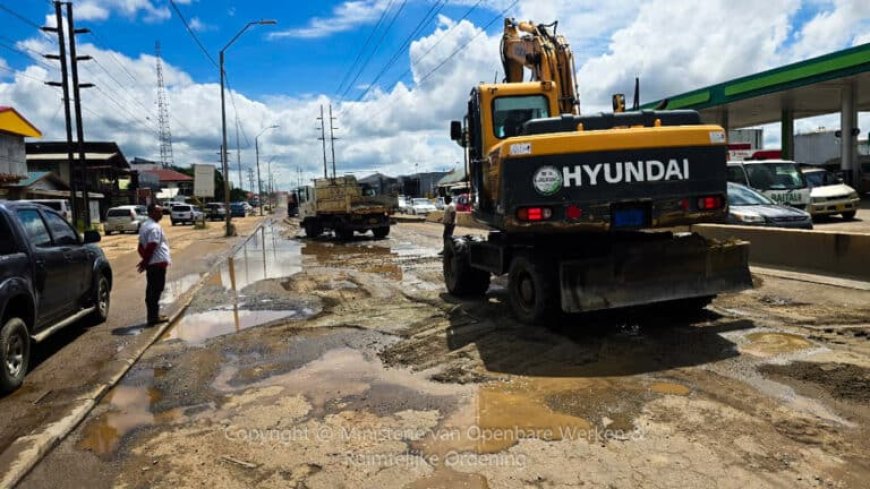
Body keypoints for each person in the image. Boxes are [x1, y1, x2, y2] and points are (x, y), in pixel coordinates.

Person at [138, 204, 171, 326]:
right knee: (156, 290)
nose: (161, 214)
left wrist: (145, 261)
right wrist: (145, 262)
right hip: (157, 263)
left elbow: (140, 246)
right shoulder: (154, 228)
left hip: (153, 263)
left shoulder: (144, 225)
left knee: (152, 290)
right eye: (158, 212)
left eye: (161, 211)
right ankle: (153, 317)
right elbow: (151, 245)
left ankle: (153, 315)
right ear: (151, 213)